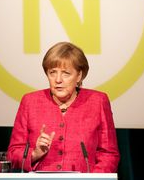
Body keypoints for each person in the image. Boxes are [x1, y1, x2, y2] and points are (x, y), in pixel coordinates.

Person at [7, 41, 120, 173]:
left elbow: (109, 154)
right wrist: (35, 154)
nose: (58, 79)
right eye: (52, 72)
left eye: (66, 73)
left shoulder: (98, 101)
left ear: (79, 75)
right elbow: (12, 154)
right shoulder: (30, 102)